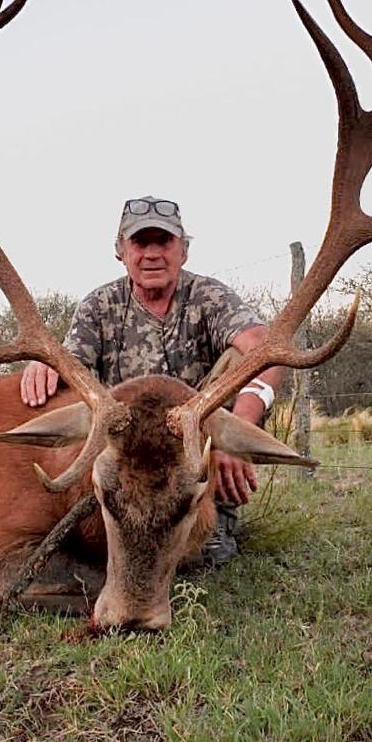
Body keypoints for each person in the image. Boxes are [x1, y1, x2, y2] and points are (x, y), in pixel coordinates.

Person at [20, 196, 283, 566]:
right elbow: (73, 368)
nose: (153, 254)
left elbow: (263, 348)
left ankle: (216, 517)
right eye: (141, 243)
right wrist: (48, 364)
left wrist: (236, 433)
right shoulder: (98, 306)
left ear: (184, 251)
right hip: (131, 454)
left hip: (195, 446)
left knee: (247, 359)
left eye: (165, 242)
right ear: (121, 252)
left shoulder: (209, 297)